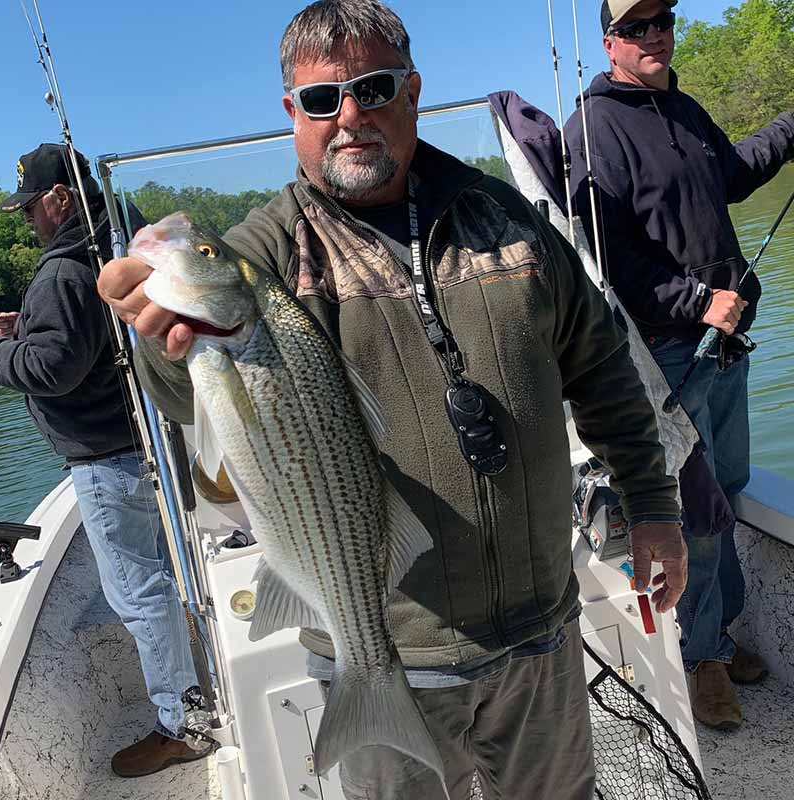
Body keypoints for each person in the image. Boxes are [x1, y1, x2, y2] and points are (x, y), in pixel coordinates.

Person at [98, 2, 689, 798]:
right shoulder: (263, 256)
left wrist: (655, 506)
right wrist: (159, 337)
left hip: (542, 631)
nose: (350, 117)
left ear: (412, 92)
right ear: (292, 115)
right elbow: (194, 396)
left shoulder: (504, 217)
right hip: (390, 653)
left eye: (373, 89)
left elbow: (602, 366)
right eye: (321, 99)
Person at [565, 0, 794, 731]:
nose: (654, 33)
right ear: (610, 43)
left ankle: (719, 635)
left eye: (662, 19)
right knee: (694, 509)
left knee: (724, 492)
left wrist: (790, 127)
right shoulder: (595, 126)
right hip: (669, 353)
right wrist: (695, 300)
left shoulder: (686, 109)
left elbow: (731, 174)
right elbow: (605, 257)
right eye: (636, 26)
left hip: (724, 347)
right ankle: (702, 664)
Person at [0, 143, 210, 776]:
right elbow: (74, 340)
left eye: (32, 207)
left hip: (105, 459)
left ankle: (183, 723)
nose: (27, 220)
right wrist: (19, 332)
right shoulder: (108, 251)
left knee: (138, 593)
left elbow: (54, 370)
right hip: (145, 445)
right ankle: (192, 686)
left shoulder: (60, 273)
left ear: (60, 198)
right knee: (160, 578)